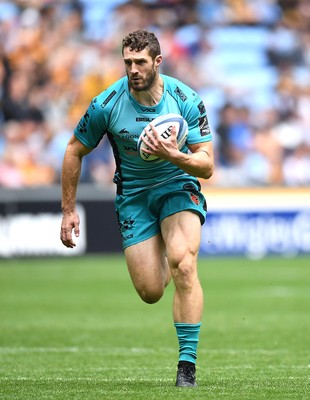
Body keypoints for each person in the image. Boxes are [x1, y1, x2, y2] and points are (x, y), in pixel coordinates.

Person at [60, 29, 214, 387]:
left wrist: (173, 154)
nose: (132, 69)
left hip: (177, 185)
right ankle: (163, 251)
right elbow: (73, 150)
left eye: (140, 62)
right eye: (127, 62)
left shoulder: (185, 99)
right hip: (134, 198)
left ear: (157, 62)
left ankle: (186, 367)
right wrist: (68, 210)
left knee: (185, 264)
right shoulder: (106, 104)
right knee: (151, 292)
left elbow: (206, 165)